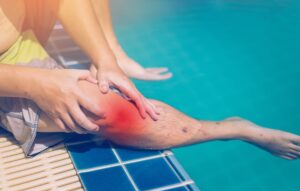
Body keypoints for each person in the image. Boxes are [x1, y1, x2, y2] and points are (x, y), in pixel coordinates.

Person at [0, 1, 299, 160]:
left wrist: (106, 60)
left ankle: (116, 53)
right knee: (104, 110)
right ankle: (234, 128)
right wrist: (35, 83)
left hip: (23, 32)